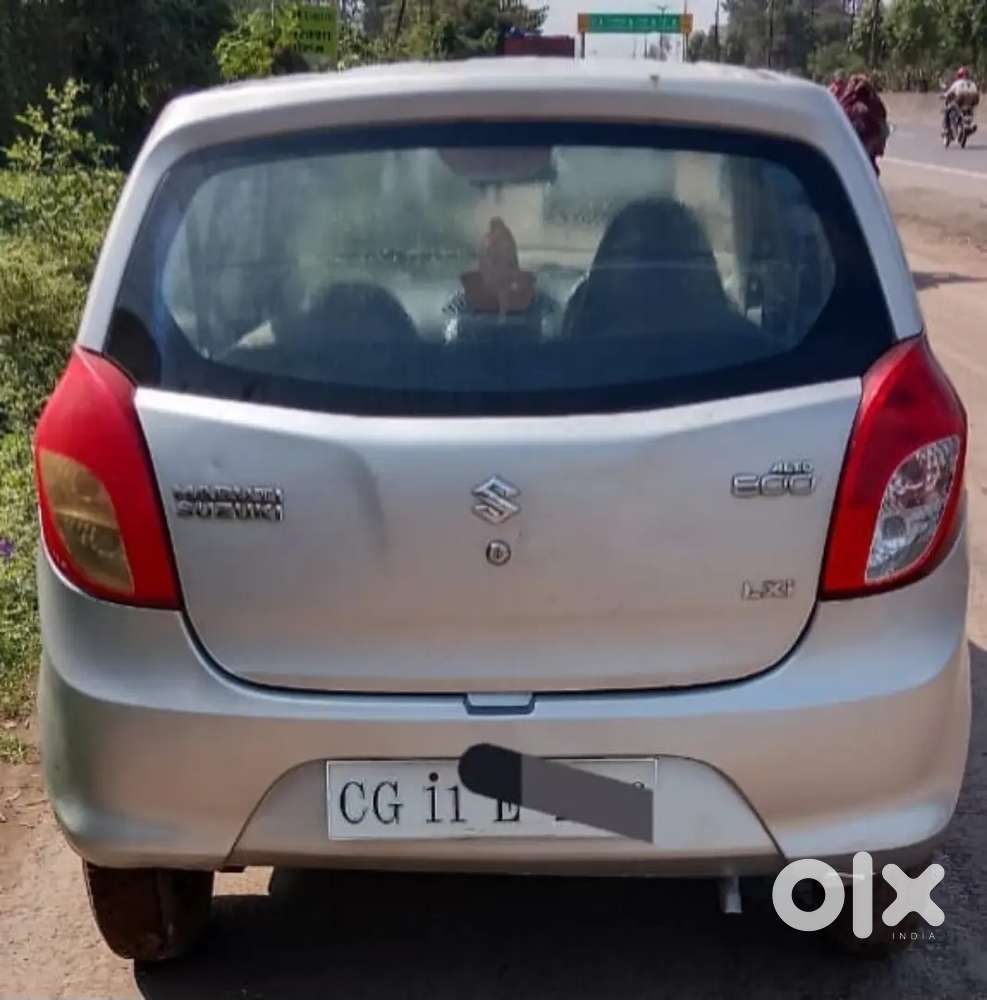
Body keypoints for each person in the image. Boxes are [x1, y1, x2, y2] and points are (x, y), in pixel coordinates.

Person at [838, 74, 890, 174]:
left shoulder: (853, 107)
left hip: (861, 143)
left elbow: (841, 105)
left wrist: (851, 88)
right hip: (870, 141)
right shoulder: (874, 105)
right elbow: (883, 112)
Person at [942, 67, 980, 137]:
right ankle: (966, 125)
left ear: (959, 75)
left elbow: (949, 92)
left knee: (947, 110)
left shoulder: (957, 83)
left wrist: (944, 95)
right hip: (970, 104)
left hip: (960, 102)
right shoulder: (972, 83)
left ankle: (947, 129)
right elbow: (976, 94)